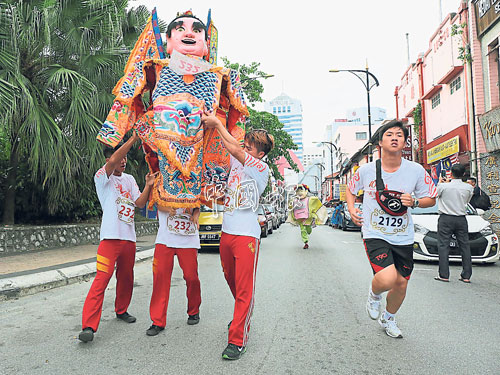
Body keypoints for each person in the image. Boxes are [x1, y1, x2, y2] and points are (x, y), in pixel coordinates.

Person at [347, 120, 437, 339]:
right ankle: (374, 295)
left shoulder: (415, 170)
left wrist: (415, 202)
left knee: (401, 283)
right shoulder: (367, 170)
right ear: (380, 142)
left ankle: (388, 318)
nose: (395, 137)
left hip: (403, 236)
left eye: (399, 134)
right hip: (375, 232)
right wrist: (352, 209)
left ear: (405, 142)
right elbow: (351, 190)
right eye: (389, 134)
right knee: (387, 279)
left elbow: (431, 198)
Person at [202, 113, 274, 360]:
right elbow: (222, 149)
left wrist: (218, 124)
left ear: (260, 154)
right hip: (227, 233)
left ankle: (237, 338)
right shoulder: (236, 163)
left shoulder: (261, 168)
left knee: (244, 289)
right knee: (231, 280)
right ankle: (242, 316)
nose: (246, 145)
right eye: (247, 142)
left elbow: (232, 147)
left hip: (246, 236)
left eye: (251, 145)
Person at [79, 132, 158, 343]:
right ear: (108, 159)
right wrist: (133, 139)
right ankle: (88, 325)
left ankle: (121, 310)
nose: (123, 161)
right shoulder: (101, 177)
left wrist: (149, 185)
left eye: (125, 158)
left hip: (129, 240)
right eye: (119, 158)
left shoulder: (130, 179)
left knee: (126, 277)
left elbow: (139, 204)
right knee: (101, 279)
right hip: (109, 239)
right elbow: (114, 160)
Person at [146, 206, 202, 336]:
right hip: (165, 237)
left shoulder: (194, 184)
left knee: (191, 277)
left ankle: (194, 311)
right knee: (160, 277)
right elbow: (156, 201)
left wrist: (196, 215)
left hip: (188, 237)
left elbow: (198, 204)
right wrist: (166, 208)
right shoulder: (160, 185)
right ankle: (157, 321)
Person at [435, 164, 474, 283]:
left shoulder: (443, 186)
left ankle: (444, 274)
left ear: (450, 173)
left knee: (443, 245)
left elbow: (436, 195)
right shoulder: (469, 188)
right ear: (463, 174)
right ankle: (466, 275)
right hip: (461, 218)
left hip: (446, 218)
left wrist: (440, 182)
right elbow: (467, 201)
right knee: (465, 246)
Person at [288, 184, 328, 248]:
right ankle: (306, 242)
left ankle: (309, 230)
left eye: (301, 191)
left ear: (306, 192)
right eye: (298, 191)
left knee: (308, 230)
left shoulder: (310, 199)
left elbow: (316, 204)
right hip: (300, 218)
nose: (300, 193)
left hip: (308, 218)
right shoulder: (295, 201)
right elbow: (291, 208)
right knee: (303, 230)